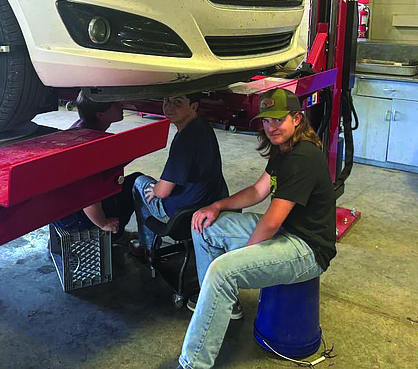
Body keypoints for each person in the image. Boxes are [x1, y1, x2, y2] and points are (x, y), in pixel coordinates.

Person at [176, 88, 337, 369]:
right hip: (287, 232)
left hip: (307, 248)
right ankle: (226, 306)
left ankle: (192, 364)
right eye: (266, 121)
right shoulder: (283, 150)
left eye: (278, 120)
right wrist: (216, 206)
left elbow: (271, 222)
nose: (271, 127)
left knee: (223, 271)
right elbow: (258, 191)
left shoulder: (302, 157)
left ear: (297, 119)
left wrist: (241, 260)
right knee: (204, 225)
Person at [129, 93, 228, 261]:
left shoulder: (185, 140)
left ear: (194, 106)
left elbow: (163, 192)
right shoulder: (202, 126)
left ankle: (147, 248)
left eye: (178, 103)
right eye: (166, 100)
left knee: (139, 183)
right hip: (210, 200)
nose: (169, 107)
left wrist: (156, 190)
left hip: (183, 212)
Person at [55, 92, 141, 244]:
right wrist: (103, 223)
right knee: (136, 185)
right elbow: (88, 193)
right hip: (76, 218)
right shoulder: (91, 145)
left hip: (62, 211)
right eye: (115, 103)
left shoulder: (80, 128)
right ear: (100, 114)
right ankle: (115, 234)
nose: (121, 105)